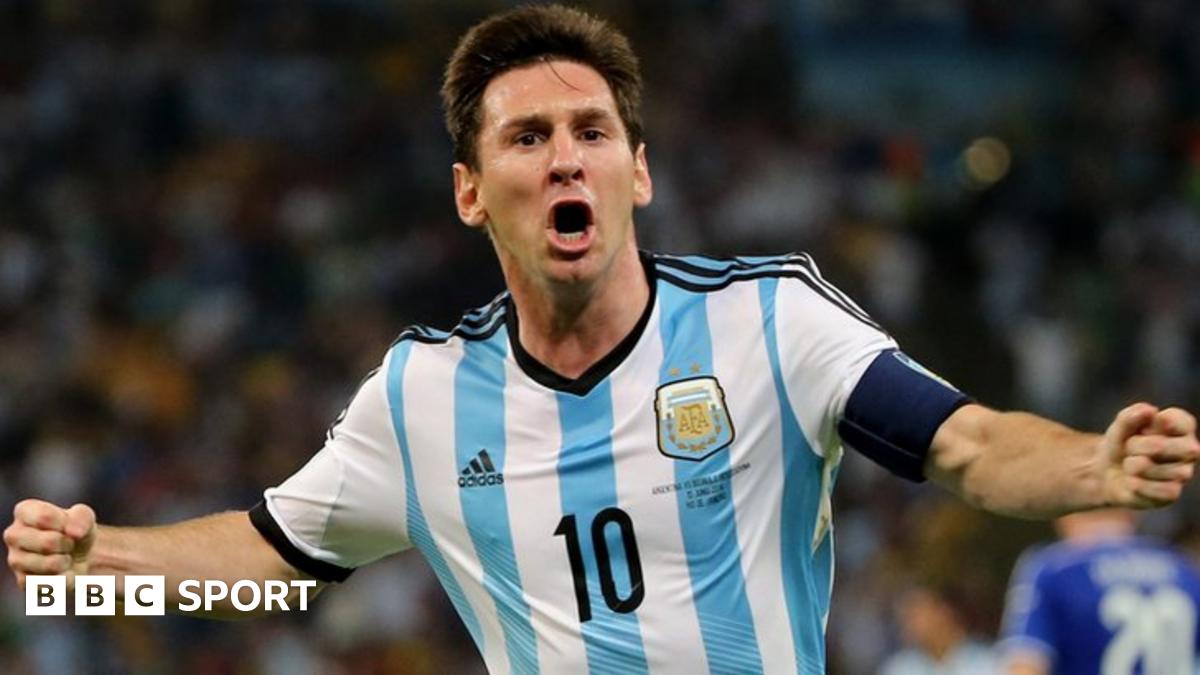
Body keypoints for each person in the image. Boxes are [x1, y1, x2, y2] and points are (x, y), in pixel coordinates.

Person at [5, 5, 1199, 673]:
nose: (566, 157)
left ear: (639, 171)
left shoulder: (769, 322)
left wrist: (1089, 467)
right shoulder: (422, 398)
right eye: (527, 138)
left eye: (591, 131)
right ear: (471, 193)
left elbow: (968, 446)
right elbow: (269, 557)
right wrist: (97, 560)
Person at [999, 509, 1200, 674]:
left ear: (1063, 511)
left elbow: (1026, 664)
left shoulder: (1056, 567)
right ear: (1133, 511)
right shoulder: (1183, 569)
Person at [881, 584, 997, 675]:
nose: (909, 624)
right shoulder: (899, 668)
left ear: (945, 612)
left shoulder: (987, 662)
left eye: (918, 614)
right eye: (906, 617)